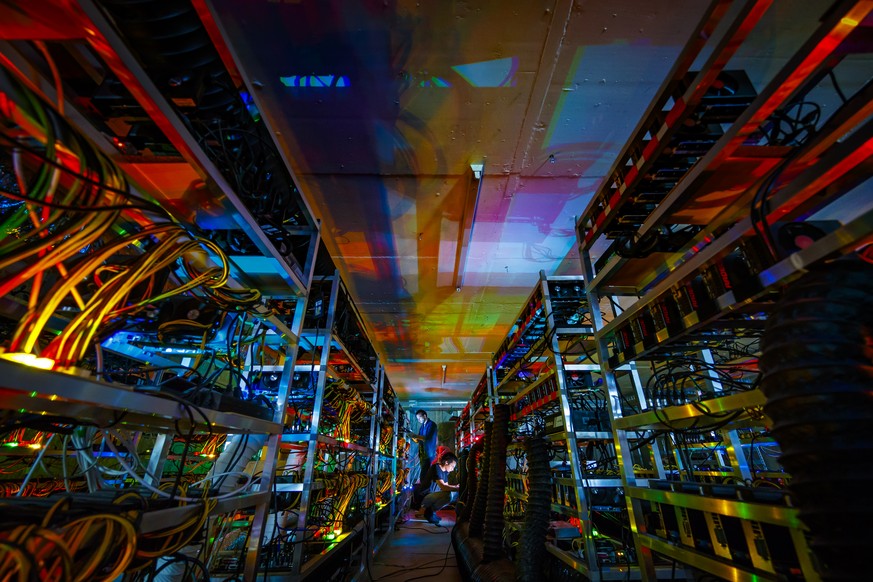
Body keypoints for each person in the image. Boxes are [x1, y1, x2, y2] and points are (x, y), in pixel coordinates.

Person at [419, 451, 459, 525]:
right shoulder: (436, 468)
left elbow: (447, 486)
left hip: (432, 496)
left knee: (455, 494)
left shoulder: (445, 472)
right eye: (452, 466)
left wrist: (456, 487)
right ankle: (429, 512)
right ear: (446, 462)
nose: (453, 469)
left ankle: (432, 512)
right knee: (448, 495)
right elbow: (443, 487)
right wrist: (457, 488)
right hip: (425, 496)